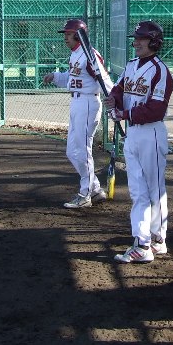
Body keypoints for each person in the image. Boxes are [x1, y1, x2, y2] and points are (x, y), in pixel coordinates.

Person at [105, 20, 173, 263]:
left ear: (154, 42)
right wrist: (114, 100)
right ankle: (147, 241)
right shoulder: (131, 65)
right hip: (133, 133)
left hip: (151, 133)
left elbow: (156, 109)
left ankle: (152, 241)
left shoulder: (160, 71)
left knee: (153, 189)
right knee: (138, 189)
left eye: (141, 39)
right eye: (135, 38)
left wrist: (125, 113)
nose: (136, 42)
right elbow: (118, 88)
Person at [43, 18, 113, 209]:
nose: (65, 37)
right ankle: (95, 188)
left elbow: (104, 79)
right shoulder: (76, 54)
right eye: (65, 34)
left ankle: (85, 194)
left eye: (69, 34)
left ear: (79, 35)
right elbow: (73, 77)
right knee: (72, 151)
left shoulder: (89, 54)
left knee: (82, 150)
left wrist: (114, 102)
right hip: (77, 102)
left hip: (88, 102)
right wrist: (56, 76)